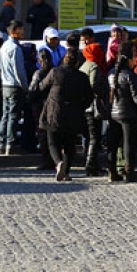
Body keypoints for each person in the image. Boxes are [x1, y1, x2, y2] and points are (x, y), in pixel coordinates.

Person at [39, 48, 93, 181]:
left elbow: (42, 87)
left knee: (52, 140)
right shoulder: (82, 77)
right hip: (74, 113)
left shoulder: (55, 72)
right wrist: (81, 106)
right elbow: (89, 97)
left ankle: (58, 163)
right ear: (77, 62)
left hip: (54, 111)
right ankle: (66, 171)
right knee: (69, 144)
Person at [108, 42, 137, 182]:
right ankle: (129, 171)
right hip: (128, 113)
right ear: (128, 60)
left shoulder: (111, 74)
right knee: (128, 143)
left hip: (114, 112)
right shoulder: (130, 75)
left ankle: (112, 170)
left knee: (113, 143)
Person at [80, 40, 109, 177]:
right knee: (94, 136)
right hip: (93, 106)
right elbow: (94, 85)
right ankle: (90, 165)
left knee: (91, 135)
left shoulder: (84, 65)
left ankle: (94, 164)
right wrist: (103, 93)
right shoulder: (95, 67)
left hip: (85, 106)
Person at [0, 21, 29, 156]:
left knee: (5, 115)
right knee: (13, 116)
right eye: (21, 29)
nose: (23, 32)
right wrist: (25, 86)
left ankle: (1, 143)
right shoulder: (15, 48)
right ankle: (10, 145)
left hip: (5, 84)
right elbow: (19, 70)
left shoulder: (4, 46)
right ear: (13, 31)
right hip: (14, 86)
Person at [28, 49, 56, 169]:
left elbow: (33, 90)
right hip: (52, 105)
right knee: (52, 134)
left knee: (42, 134)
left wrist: (28, 99)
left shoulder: (38, 74)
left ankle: (46, 160)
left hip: (39, 106)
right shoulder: (54, 71)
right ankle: (54, 158)